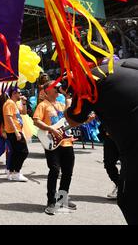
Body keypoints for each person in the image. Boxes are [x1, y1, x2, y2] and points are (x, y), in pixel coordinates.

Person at [65, 55, 138, 225]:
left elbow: (74, 118)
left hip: (133, 145)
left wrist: (67, 109)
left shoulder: (93, 77)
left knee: (129, 200)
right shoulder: (132, 62)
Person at [33, 81, 78, 215]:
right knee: (54, 170)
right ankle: (51, 201)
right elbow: (36, 120)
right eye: (54, 86)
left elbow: (69, 119)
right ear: (47, 90)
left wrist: (68, 97)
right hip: (52, 143)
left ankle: (62, 199)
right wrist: (50, 128)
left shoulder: (61, 104)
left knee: (68, 172)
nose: (57, 87)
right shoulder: (43, 105)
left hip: (67, 142)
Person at [3, 87, 29, 182]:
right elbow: (9, 118)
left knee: (16, 153)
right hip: (14, 132)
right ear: (14, 93)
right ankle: (16, 172)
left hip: (16, 131)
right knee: (23, 152)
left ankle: (11, 171)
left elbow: (24, 112)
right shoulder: (9, 103)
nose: (20, 94)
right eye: (19, 92)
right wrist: (16, 132)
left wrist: (24, 103)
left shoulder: (14, 103)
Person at [100, 123, 120, 200]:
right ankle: (120, 185)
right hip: (109, 137)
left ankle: (124, 189)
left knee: (127, 164)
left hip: (126, 137)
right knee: (108, 164)